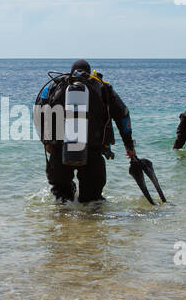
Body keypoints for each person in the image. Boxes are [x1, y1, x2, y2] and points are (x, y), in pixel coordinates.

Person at [35, 59, 136, 202]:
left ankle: (61, 223)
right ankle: (90, 224)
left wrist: (46, 142)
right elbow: (123, 115)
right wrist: (129, 146)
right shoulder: (103, 88)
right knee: (92, 202)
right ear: (90, 72)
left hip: (59, 150)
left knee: (62, 200)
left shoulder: (54, 87)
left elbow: (39, 113)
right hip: (93, 152)